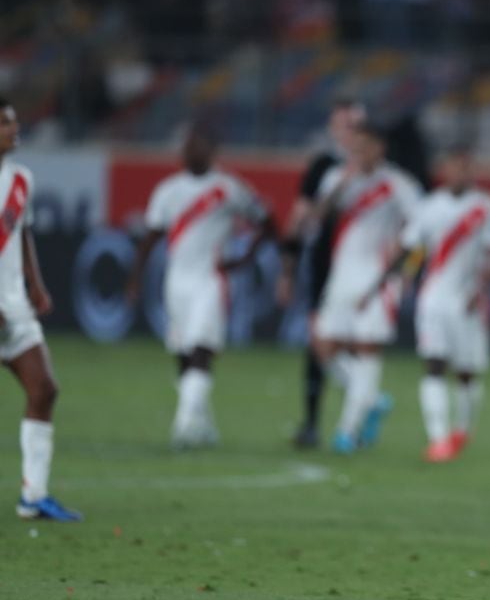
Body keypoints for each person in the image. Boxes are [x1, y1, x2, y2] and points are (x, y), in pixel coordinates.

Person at [127, 124, 273, 449]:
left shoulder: (228, 187)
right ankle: (202, 424)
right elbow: (151, 237)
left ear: (213, 151)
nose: (193, 151)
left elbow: (265, 220)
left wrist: (245, 257)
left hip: (209, 279)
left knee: (200, 350)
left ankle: (183, 425)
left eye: (200, 146)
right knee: (182, 354)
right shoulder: (168, 190)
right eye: (188, 146)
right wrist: (135, 278)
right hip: (176, 281)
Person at [307, 119, 422, 453]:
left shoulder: (398, 184)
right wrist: (342, 185)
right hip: (342, 274)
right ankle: (371, 400)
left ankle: (348, 431)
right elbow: (319, 217)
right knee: (324, 346)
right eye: (354, 147)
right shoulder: (338, 178)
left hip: (378, 277)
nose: (358, 153)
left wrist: (403, 271)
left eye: (365, 147)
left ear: (379, 148)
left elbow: (418, 228)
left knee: (367, 347)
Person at [399, 144, 490, 462]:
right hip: (433, 298)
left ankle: (462, 429)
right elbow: (414, 247)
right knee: (433, 364)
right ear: (444, 170)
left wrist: (482, 288)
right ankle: (438, 439)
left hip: (468, 301)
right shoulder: (429, 206)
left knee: (467, 371)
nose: (459, 173)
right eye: (453, 166)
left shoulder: (487, 206)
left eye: (465, 167)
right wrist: (407, 275)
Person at [0, 98, 81, 521]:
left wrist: (36, 283)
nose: (14, 129)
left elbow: (22, 232)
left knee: (44, 389)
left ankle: (33, 496)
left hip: (13, 309)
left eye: (13, 121)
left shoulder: (20, 180)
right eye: (4, 123)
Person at [276, 98, 365, 448]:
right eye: (345, 125)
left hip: (360, 269)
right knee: (319, 343)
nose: (350, 133)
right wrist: (287, 269)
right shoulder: (324, 167)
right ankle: (317, 420)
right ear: (333, 128)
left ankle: (355, 417)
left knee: (350, 342)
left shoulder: (379, 170)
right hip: (324, 264)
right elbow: (299, 221)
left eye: (356, 126)